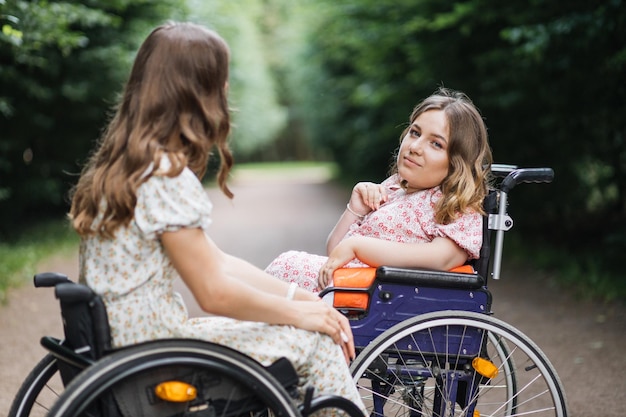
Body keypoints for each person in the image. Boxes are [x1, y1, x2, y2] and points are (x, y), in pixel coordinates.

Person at [68, 21, 365, 414]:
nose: (226, 92)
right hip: (155, 353)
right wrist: (302, 316)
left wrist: (302, 297)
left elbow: (218, 261)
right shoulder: (165, 174)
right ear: (197, 93)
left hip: (126, 343)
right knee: (315, 343)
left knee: (301, 326)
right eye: (219, 81)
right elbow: (214, 293)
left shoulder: (124, 165)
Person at [265, 87, 492, 292]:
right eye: (415, 132)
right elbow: (335, 250)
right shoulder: (393, 188)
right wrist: (355, 209)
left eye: (436, 144)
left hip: (376, 297)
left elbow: (441, 259)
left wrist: (359, 246)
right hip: (346, 286)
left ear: (456, 162)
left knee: (272, 280)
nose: (414, 147)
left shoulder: (455, 204)